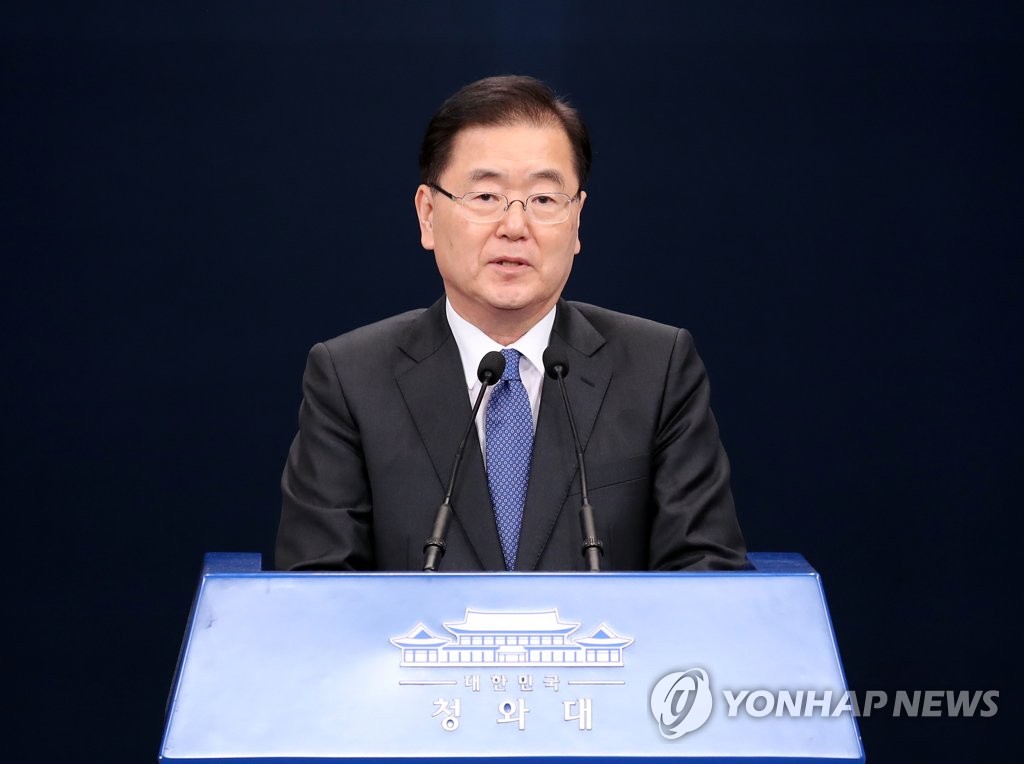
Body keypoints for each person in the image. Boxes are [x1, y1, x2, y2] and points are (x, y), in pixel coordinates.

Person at [276, 75, 747, 572]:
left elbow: (707, 577)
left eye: (544, 200)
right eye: (485, 197)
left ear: (577, 219)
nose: (515, 226)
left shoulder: (657, 370)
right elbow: (317, 586)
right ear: (428, 215)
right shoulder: (350, 379)